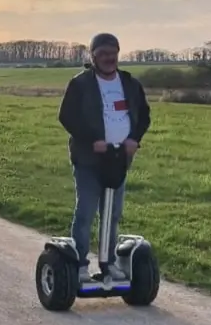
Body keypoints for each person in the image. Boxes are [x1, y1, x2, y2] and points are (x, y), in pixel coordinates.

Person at [57, 33, 151, 283]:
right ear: (93, 56)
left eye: (113, 53)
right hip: (89, 158)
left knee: (113, 213)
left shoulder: (130, 83)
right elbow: (67, 117)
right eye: (103, 54)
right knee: (86, 212)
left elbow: (143, 115)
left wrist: (135, 139)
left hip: (119, 157)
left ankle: (108, 263)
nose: (109, 58)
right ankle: (80, 265)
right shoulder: (80, 84)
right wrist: (91, 141)